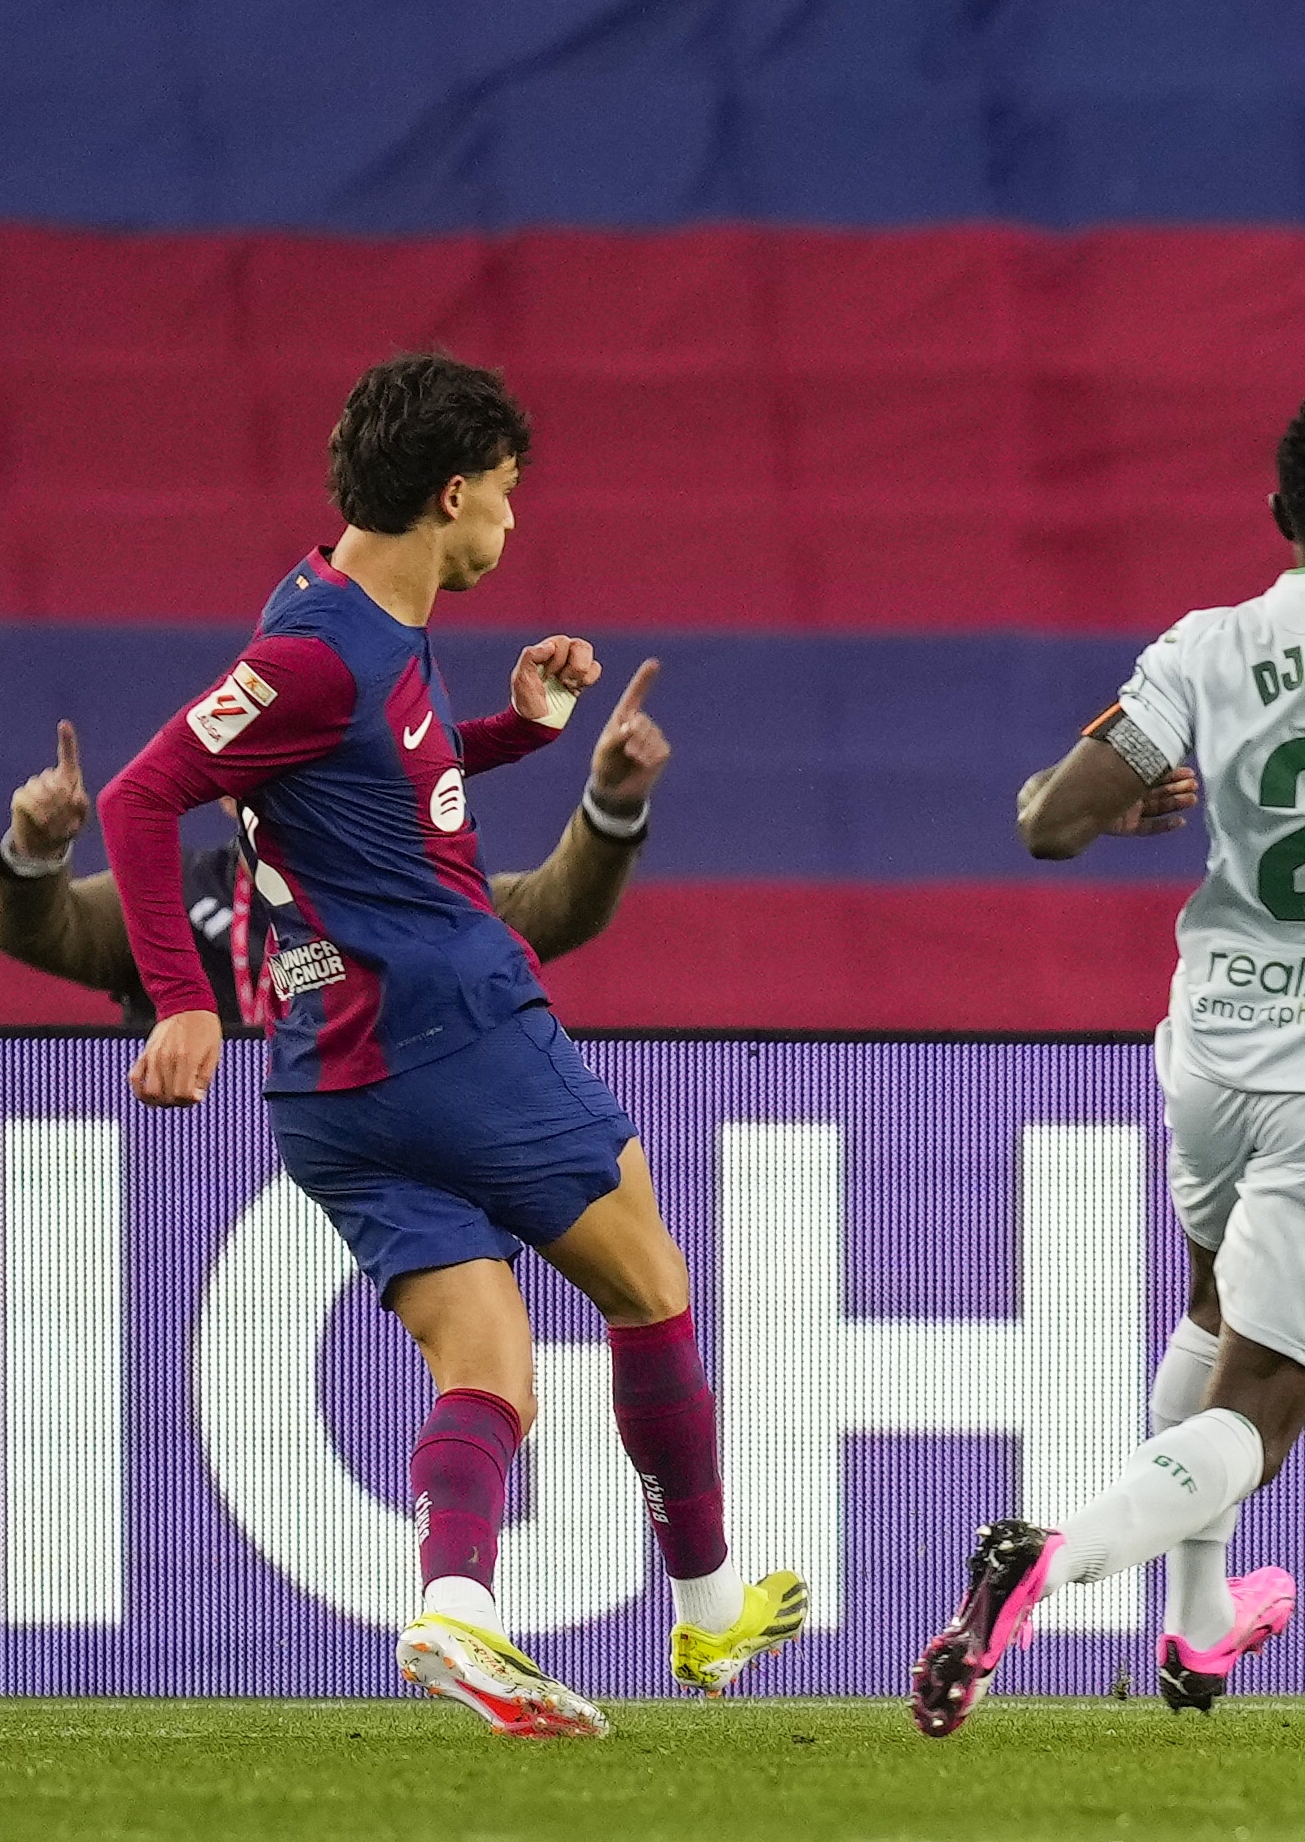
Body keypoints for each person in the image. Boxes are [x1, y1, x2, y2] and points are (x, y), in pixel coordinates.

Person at [94, 353, 804, 1738]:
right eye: (509, 499)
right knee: (649, 1278)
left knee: (484, 1357)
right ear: (455, 489)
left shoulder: (328, 618)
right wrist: (179, 993)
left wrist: (519, 730)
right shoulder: (319, 649)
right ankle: (710, 1600)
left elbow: (382, 768)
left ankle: (459, 1608)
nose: (512, 527)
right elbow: (138, 794)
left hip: (331, 1084)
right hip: (453, 1024)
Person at [907, 379, 1305, 1737]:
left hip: (1212, 1048)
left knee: (1207, 1309)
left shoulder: (1209, 643)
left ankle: (1196, 1625)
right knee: (1265, 1402)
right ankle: (1047, 1564)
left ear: (1277, 514)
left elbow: (1046, 822)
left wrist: (1128, 808)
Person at [4, 666, 672, 1023]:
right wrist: (33, 851)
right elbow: (46, 933)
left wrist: (611, 801)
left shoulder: (409, 893)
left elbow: (557, 908)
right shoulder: (166, 893)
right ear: (225, 791)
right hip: (192, 1168)